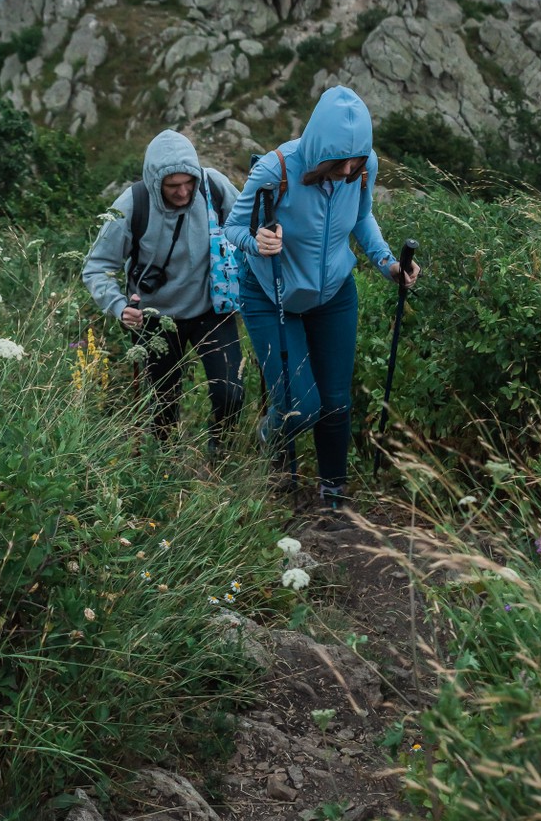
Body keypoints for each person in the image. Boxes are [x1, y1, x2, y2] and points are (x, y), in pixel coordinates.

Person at [224, 84, 419, 510]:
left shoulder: (363, 167)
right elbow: (231, 229)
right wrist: (257, 242)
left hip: (333, 293)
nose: (349, 169)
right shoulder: (275, 170)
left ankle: (334, 492)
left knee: (334, 402)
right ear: (318, 148)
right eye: (340, 161)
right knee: (299, 404)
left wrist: (388, 262)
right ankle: (269, 444)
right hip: (270, 294)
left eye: (356, 159)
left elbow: (362, 217)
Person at [83, 130, 244, 460]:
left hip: (212, 309)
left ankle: (221, 451)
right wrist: (118, 307)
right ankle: (166, 464)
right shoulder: (133, 205)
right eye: (173, 186)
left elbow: (247, 223)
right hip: (155, 318)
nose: (184, 192)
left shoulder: (213, 187)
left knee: (231, 392)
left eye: (189, 183)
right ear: (156, 182)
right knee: (162, 406)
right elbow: (96, 266)